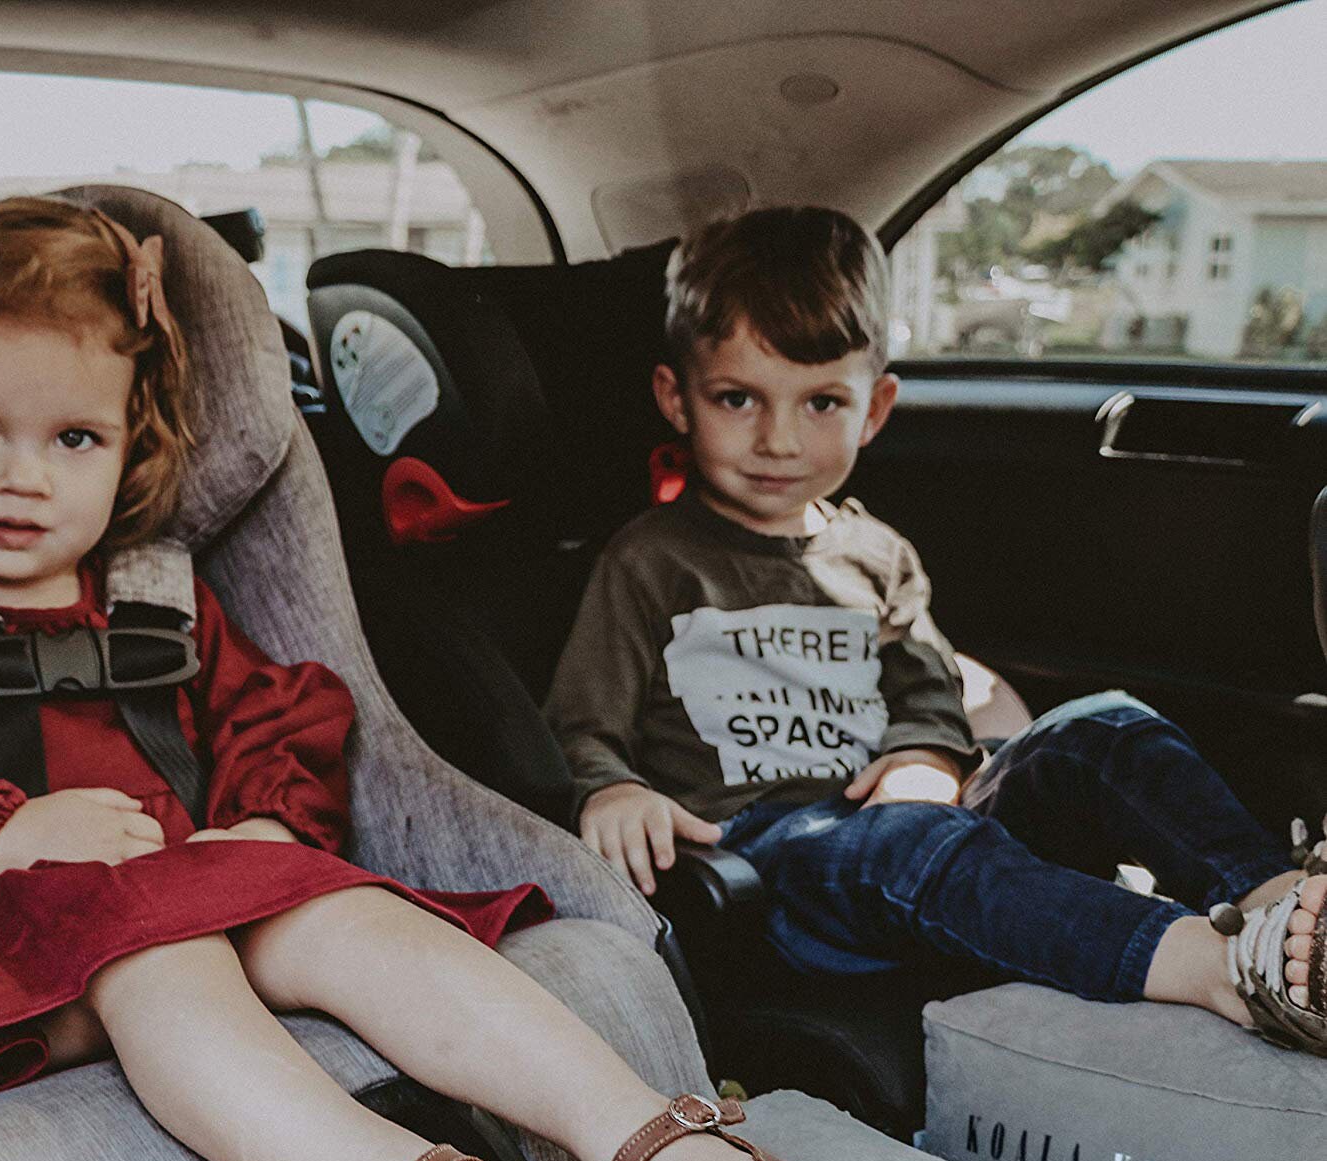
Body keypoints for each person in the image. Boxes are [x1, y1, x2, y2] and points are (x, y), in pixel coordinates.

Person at [0, 197, 841, 1161]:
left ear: (131, 444)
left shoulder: (162, 605)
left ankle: (665, 1157)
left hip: (190, 904)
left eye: (73, 440)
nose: (21, 479)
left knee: (337, 903)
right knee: (155, 945)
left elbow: (275, 715)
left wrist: (262, 820)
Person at [545, 205, 1327, 1056]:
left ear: (875, 408)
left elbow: (928, 687)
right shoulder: (650, 562)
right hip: (770, 858)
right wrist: (610, 789)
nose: (778, 438)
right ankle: (1224, 970)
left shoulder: (877, 553)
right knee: (909, 842)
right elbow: (584, 725)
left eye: (821, 403)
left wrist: (926, 754)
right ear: (677, 398)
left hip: (909, 827)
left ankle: (1282, 908)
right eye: (737, 398)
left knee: (1104, 724)